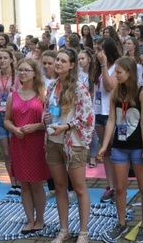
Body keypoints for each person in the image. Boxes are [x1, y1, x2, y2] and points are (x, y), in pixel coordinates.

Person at [98, 56, 143, 243]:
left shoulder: (142, 93)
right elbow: (111, 121)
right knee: (120, 188)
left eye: (119, 72)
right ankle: (121, 223)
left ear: (129, 73)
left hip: (138, 147)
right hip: (119, 147)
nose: (116, 75)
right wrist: (105, 146)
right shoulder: (115, 92)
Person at [44, 49, 95, 243]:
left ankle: (83, 232)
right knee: (59, 186)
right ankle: (63, 230)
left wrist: (66, 126)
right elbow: (47, 111)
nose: (58, 63)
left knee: (80, 188)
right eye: (57, 59)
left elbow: (87, 117)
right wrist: (45, 118)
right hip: (53, 140)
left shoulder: (79, 87)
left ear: (72, 65)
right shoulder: (52, 86)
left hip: (74, 142)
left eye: (63, 61)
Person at [5, 57, 51, 235]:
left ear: (34, 73)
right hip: (19, 143)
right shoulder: (12, 95)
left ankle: (40, 219)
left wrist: (36, 126)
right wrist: (15, 129)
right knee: (24, 184)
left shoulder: (43, 94)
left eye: (26, 70)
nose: (23, 73)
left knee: (37, 184)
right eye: (20, 70)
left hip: (37, 143)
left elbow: (50, 120)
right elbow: (7, 120)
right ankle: (29, 220)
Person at [93, 38, 121, 203]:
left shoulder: (117, 65)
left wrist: (104, 65)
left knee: (117, 152)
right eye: (96, 50)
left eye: (100, 50)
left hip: (112, 114)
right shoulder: (96, 66)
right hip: (98, 113)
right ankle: (110, 186)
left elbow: (110, 86)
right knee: (106, 153)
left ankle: (119, 186)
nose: (98, 53)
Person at [0, 48, 20, 195]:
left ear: (11, 59)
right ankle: (13, 184)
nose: (2, 60)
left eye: (4, 58)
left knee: (17, 152)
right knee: (7, 154)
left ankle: (21, 182)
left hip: (14, 116)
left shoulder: (18, 76)